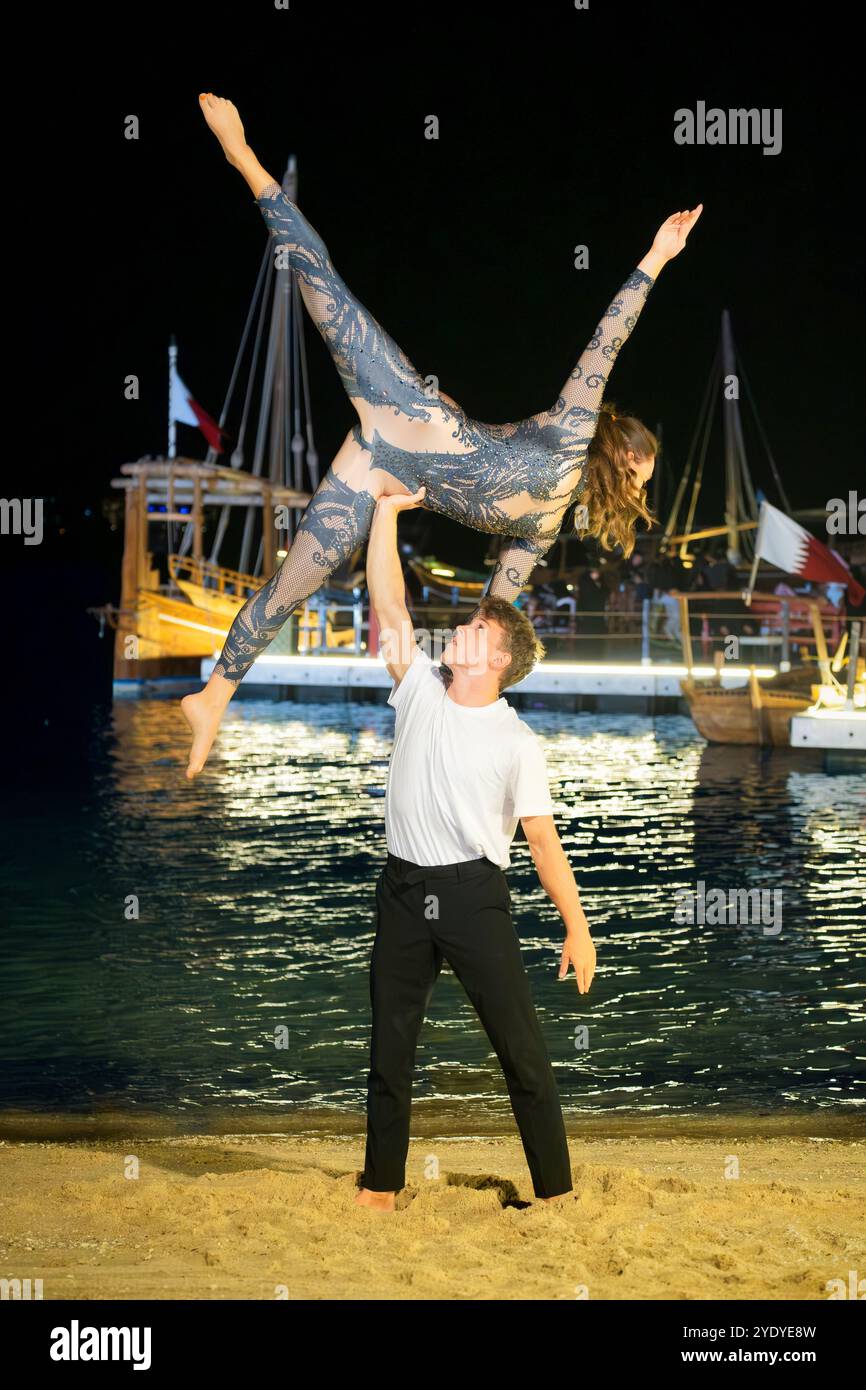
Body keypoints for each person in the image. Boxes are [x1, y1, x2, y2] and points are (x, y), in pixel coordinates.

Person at [182, 93, 702, 776]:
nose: (641, 481)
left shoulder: (545, 532)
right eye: (646, 468)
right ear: (628, 452)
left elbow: (495, 611)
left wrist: (471, 694)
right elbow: (611, 335)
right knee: (321, 279)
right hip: (415, 420)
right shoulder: (572, 430)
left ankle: (215, 696)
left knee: (292, 585)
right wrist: (657, 257)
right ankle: (241, 153)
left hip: (382, 470)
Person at [355, 488, 596, 1212]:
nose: (458, 629)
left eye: (472, 626)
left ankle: (555, 1193)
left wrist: (577, 927)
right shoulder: (421, 690)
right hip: (402, 889)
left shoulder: (518, 742)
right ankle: (380, 1186)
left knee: (519, 1049)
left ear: (494, 656)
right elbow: (388, 604)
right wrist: (387, 514)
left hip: (472, 898)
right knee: (389, 1047)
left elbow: (543, 844)